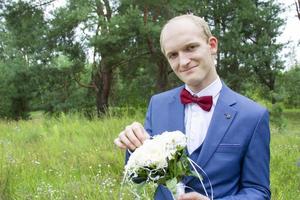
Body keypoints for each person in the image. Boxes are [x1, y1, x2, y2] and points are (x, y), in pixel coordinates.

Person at [114, 14, 271, 200]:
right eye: (173, 55)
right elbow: (139, 177)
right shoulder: (158, 104)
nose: (183, 62)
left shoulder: (253, 115)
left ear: (212, 45)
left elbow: (258, 192)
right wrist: (133, 146)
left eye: (190, 48)